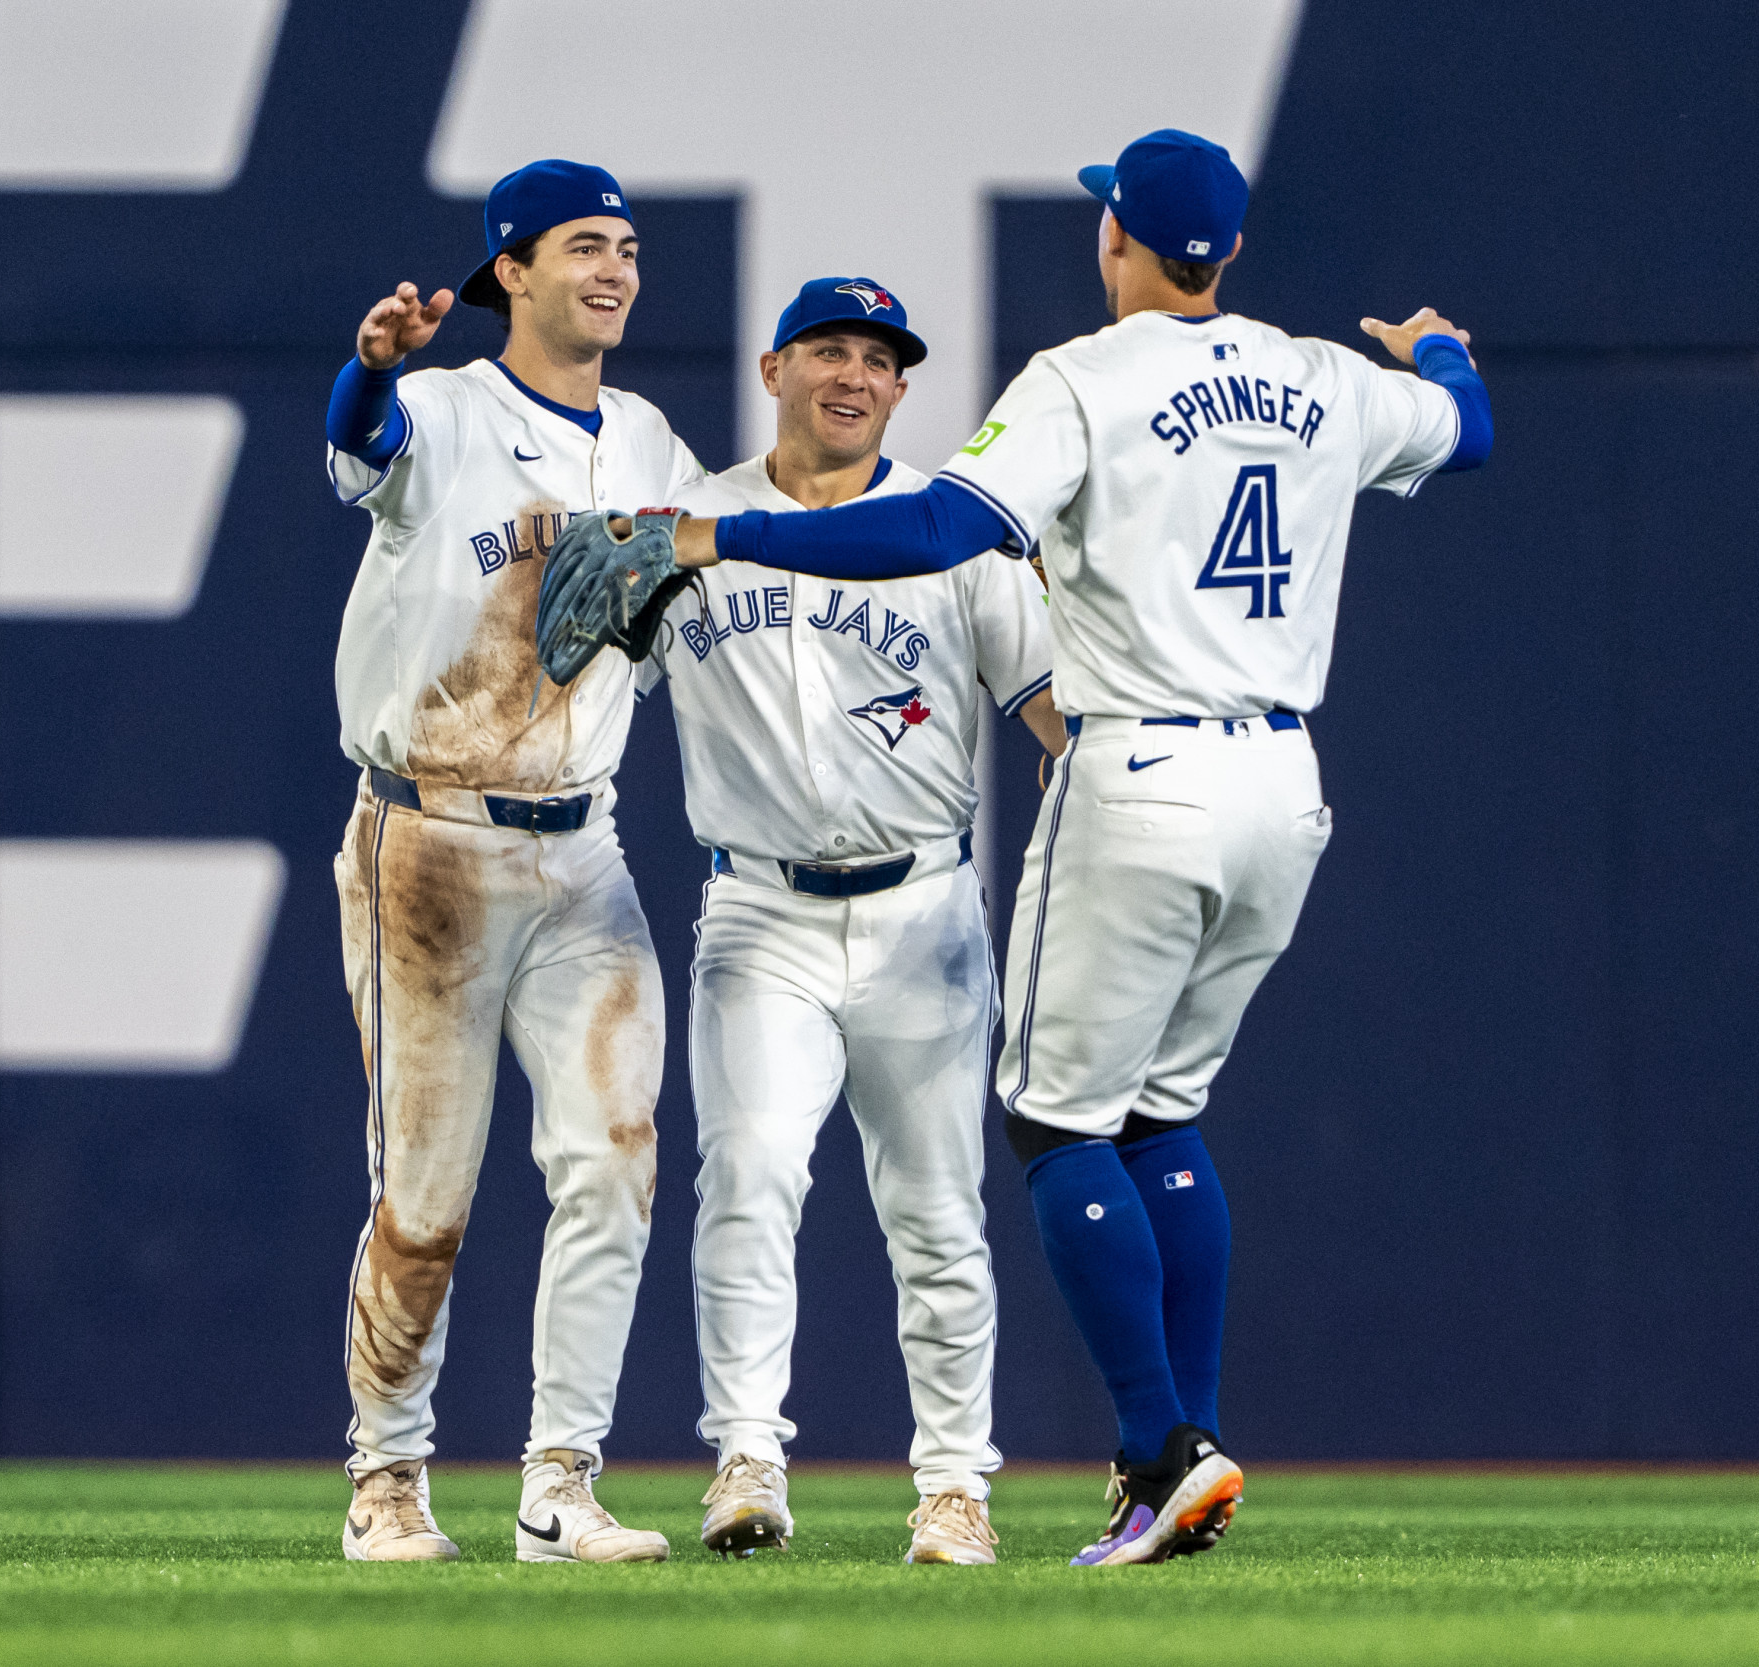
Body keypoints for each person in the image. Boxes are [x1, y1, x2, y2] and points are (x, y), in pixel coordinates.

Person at [556, 128, 1492, 1566]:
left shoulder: (1086, 378)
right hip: (1284, 776)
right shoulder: (1322, 378)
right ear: (1226, 250)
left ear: (1119, 239)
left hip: (1142, 767)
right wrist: (1441, 357)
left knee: (1058, 1127)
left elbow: (939, 522)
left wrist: (711, 535)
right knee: (1159, 1118)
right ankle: (1176, 1450)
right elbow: (1465, 430)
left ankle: (1160, 1444)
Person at [635, 277, 1064, 1564]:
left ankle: (953, 1486)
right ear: (773, 366)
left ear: (900, 388)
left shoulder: (959, 531)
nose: (854, 373)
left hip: (924, 906)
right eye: (829, 347)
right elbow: (583, 686)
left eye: (881, 358)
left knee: (936, 1210)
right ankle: (746, 1458)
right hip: (758, 907)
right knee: (751, 1176)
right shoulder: (688, 521)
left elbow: (1055, 719)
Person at [321, 158, 707, 1564]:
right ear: (513, 271)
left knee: (616, 1159)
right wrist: (370, 366)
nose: (615, 268)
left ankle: (560, 1482)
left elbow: (665, 628)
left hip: (582, 846)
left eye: (628, 246)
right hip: (428, 838)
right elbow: (360, 445)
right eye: (584, 245)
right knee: (425, 1195)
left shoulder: (653, 439)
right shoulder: (441, 406)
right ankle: (388, 1473)